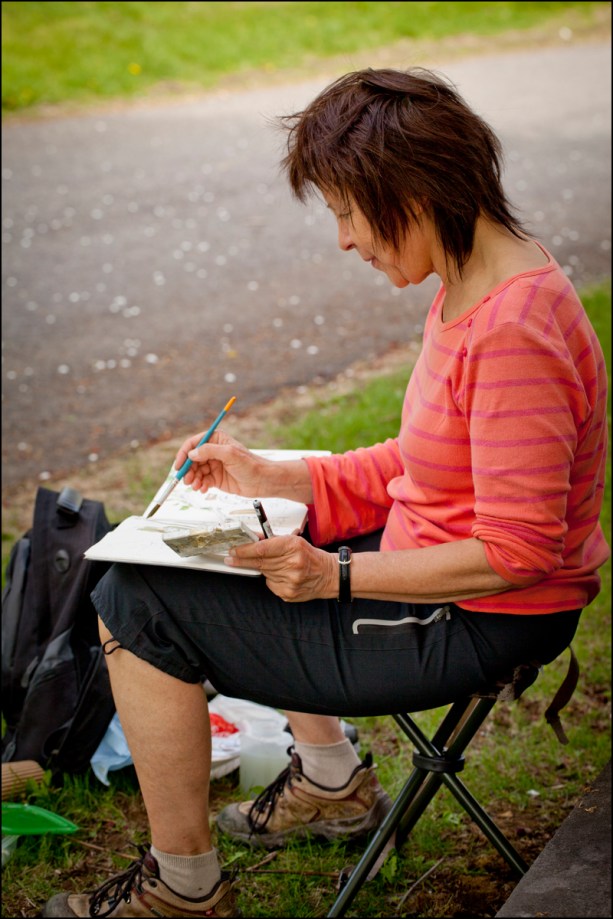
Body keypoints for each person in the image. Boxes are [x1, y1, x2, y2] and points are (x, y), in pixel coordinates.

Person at [43, 67, 609, 918]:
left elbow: (516, 551)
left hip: (480, 615)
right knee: (254, 531)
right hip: (449, 580)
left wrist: (331, 575)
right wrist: (278, 477)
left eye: (348, 212)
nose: (344, 240)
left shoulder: (511, 329)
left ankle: (184, 891)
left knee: (135, 599)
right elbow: (428, 463)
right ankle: (332, 784)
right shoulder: (475, 282)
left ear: (411, 195)